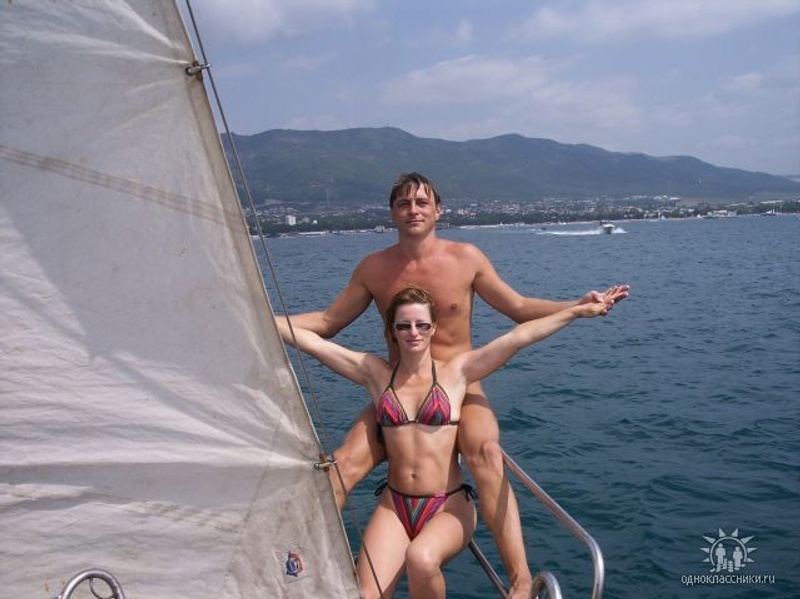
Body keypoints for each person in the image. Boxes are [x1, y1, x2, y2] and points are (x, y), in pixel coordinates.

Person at [288, 172, 629, 597]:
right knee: (340, 466)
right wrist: (257, 316)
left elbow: (518, 309)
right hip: (396, 393)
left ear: (438, 210)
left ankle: (520, 578)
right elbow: (326, 323)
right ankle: (302, 566)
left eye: (422, 202)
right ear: (392, 213)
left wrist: (575, 306)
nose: (413, 210)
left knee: (485, 451)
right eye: (404, 203)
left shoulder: (466, 258)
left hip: (459, 385)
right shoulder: (373, 268)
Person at [278, 286, 610, 598]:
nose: (414, 332)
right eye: (404, 325)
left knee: (421, 559)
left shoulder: (456, 373)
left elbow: (518, 338)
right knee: (365, 595)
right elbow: (312, 343)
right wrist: (256, 314)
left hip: (448, 506)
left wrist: (576, 311)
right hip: (395, 506)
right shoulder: (375, 373)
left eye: (422, 325)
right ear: (392, 331)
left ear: (434, 328)